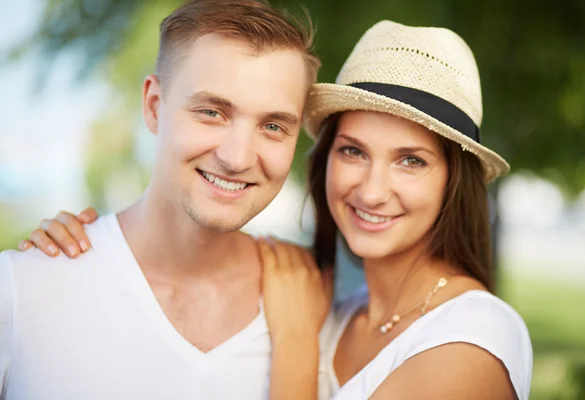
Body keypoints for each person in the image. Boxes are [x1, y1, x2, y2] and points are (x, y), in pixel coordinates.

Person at [18, 21, 534, 400]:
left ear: (454, 182)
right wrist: (84, 249)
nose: (373, 191)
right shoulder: (331, 305)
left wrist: (293, 341)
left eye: (411, 161)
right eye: (353, 151)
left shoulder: (473, 337)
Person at [0, 1, 334, 399]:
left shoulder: (315, 303)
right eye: (212, 112)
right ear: (154, 106)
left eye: (273, 125)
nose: (237, 157)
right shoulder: (21, 291)